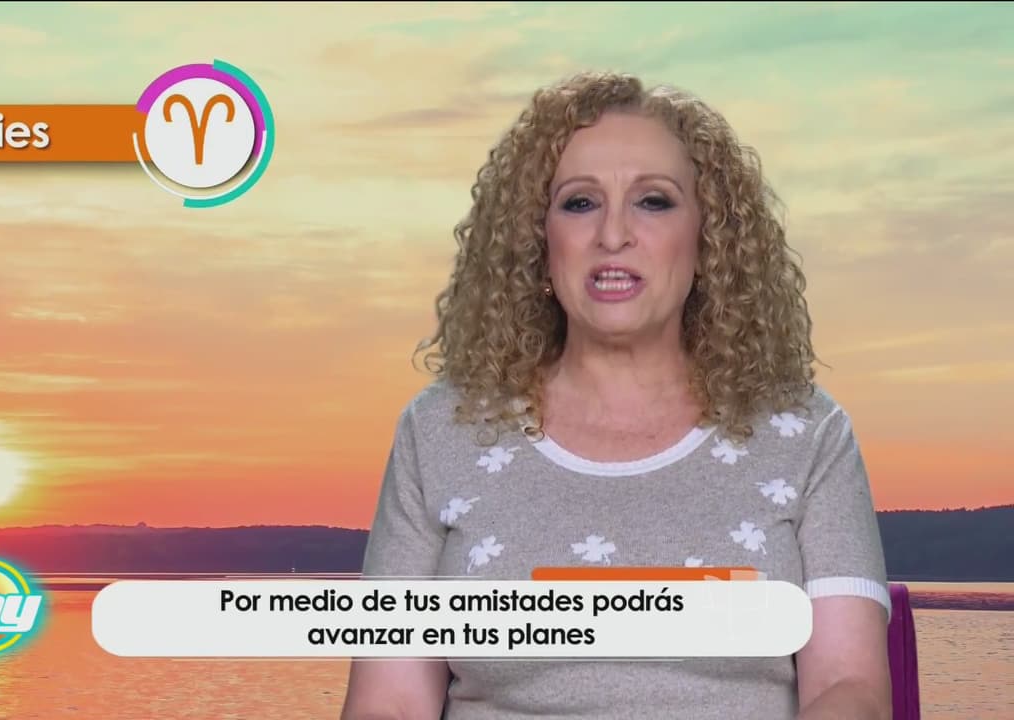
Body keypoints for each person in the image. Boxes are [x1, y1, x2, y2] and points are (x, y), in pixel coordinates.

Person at [341, 71, 892, 720]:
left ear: (708, 241)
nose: (613, 234)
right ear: (537, 243)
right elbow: (389, 703)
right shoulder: (439, 430)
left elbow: (848, 688)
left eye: (653, 201)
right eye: (580, 203)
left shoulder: (808, 434)